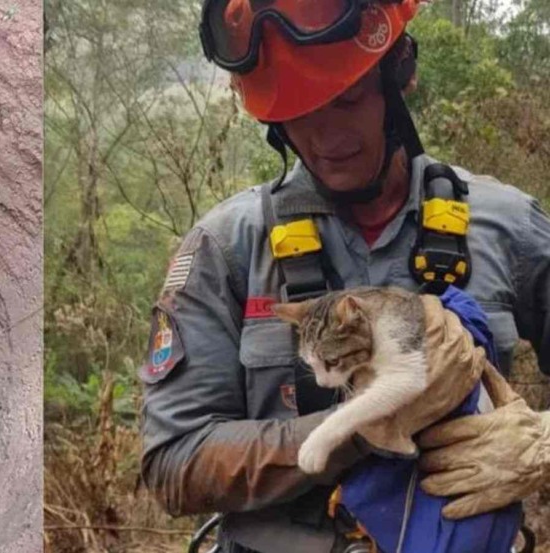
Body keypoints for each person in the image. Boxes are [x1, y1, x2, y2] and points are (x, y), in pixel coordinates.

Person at [139, 1, 550, 552]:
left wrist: (542, 446)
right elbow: (174, 462)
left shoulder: (509, 225)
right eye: (302, 111)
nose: (328, 134)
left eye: (349, 99)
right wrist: (359, 428)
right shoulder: (228, 247)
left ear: (396, 79)